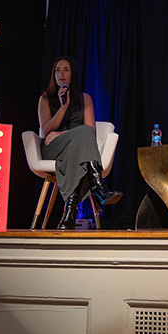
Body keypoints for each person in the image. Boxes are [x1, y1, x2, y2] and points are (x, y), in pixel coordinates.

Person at [38, 57, 121, 230]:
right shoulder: (45, 99)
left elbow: (89, 128)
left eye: (66, 70)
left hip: (76, 150)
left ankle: (70, 213)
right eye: (58, 70)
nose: (61, 74)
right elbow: (46, 131)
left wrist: (62, 133)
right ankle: (98, 187)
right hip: (53, 148)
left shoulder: (85, 98)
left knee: (81, 146)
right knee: (83, 138)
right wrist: (63, 107)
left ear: (72, 74)